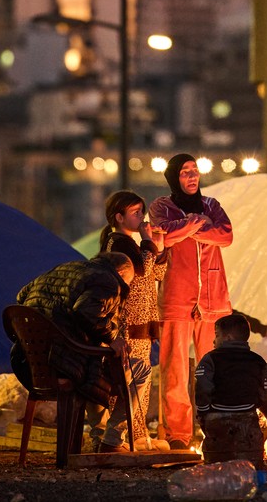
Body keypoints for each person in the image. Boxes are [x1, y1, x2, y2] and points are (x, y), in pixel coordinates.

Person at [150, 153, 234, 451]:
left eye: (195, 171)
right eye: (185, 171)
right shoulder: (161, 206)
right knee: (174, 368)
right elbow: (163, 235)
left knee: (212, 367)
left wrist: (186, 225)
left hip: (211, 298)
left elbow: (226, 235)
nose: (192, 176)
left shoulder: (212, 204)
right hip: (175, 296)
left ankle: (215, 427)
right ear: (174, 177)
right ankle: (177, 434)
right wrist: (196, 224)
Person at [11, 252, 133, 408]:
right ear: (121, 273)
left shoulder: (64, 268)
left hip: (26, 361)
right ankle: (114, 430)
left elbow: (21, 297)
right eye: (130, 282)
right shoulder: (108, 280)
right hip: (63, 365)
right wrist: (112, 337)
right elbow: (86, 312)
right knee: (133, 371)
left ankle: (102, 428)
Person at [97, 191, 168, 452]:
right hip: (130, 322)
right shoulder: (119, 244)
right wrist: (148, 242)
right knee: (131, 377)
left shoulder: (130, 243)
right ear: (119, 217)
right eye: (135, 212)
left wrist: (158, 247)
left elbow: (156, 273)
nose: (141, 217)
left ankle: (136, 433)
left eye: (142, 211)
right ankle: (125, 435)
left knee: (140, 377)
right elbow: (143, 271)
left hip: (143, 319)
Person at [192, 313, 267, 466]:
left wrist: (203, 412)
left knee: (217, 459)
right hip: (248, 413)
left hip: (217, 413)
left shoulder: (209, 359)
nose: (214, 340)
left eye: (217, 335)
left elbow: (202, 386)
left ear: (227, 338)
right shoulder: (258, 360)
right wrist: (258, 403)